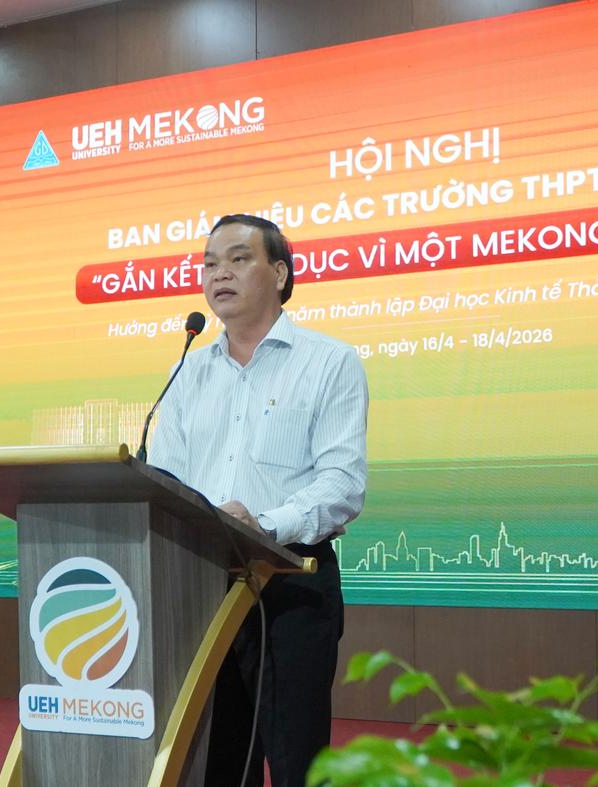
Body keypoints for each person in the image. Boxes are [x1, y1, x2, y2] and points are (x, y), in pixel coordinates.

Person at [149, 214, 368, 787]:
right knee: (215, 762)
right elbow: (164, 480)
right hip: (201, 587)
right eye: (209, 263)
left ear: (280, 273)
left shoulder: (329, 361)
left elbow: (342, 483)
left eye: (238, 259)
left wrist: (262, 526)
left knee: (298, 762)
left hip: (291, 581)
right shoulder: (187, 373)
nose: (219, 273)